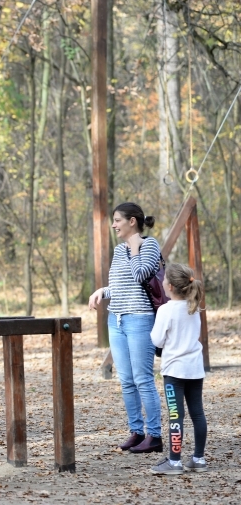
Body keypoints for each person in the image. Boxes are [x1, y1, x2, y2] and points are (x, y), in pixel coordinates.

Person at [88, 202, 163, 454]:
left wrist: (135, 246)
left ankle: (154, 436)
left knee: (143, 379)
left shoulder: (149, 245)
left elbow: (141, 275)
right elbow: (122, 285)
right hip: (117, 320)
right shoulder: (120, 250)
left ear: (132, 221)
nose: (113, 225)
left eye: (118, 220)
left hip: (140, 319)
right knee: (127, 380)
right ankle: (137, 431)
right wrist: (102, 291)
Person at [149, 263, 208, 475]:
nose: (162, 281)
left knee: (176, 415)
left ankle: (174, 462)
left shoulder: (165, 310)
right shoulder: (194, 307)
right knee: (197, 413)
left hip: (174, 372)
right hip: (195, 369)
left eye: (164, 279)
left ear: (170, 286)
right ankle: (199, 459)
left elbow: (157, 340)